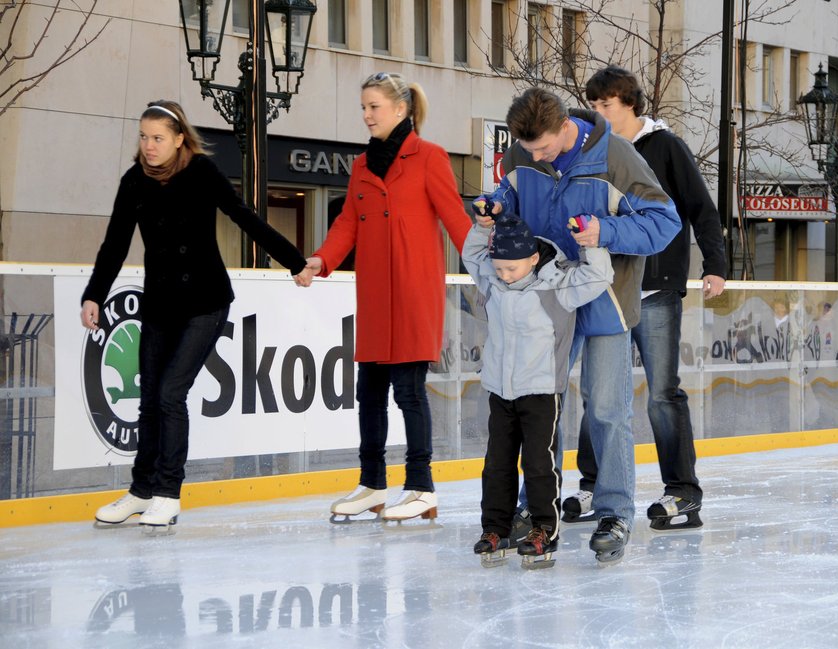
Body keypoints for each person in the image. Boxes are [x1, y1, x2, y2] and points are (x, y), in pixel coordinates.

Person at [473, 87, 681, 564]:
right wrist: (494, 206)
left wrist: (605, 232)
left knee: (607, 410)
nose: (536, 156)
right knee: (537, 408)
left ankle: (613, 511)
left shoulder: (616, 156)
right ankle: (534, 507)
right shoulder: (521, 154)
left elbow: (663, 221)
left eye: (544, 148)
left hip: (604, 300)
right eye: (529, 151)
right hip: (545, 303)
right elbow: (510, 195)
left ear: (566, 125)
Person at [83, 100, 308, 531]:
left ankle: (167, 493)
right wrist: (94, 294)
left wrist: (295, 261)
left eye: (158, 138)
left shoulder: (201, 173)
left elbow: (244, 217)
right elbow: (114, 243)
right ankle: (140, 491)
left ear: (179, 139)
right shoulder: (134, 182)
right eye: (144, 137)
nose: (149, 146)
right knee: (149, 401)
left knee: (170, 394)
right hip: (160, 305)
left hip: (205, 303)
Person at [296, 72, 471, 523]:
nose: (366, 115)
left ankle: (421, 487)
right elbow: (348, 225)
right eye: (363, 107)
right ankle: (372, 483)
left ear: (400, 109)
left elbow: (455, 218)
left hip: (414, 292)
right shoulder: (360, 166)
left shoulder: (429, 157)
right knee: (369, 393)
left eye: (373, 106)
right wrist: (321, 260)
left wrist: (490, 267)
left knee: (409, 392)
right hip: (375, 295)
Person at [563, 66, 726, 532]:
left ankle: (682, 491)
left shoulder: (665, 147)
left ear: (629, 104)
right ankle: (594, 484)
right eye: (591, 106)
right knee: (598, 392)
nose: (597, 114)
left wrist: (714, 264)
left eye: (606, 105)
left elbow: (700, 208)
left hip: (654, 289)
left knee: (660, 393)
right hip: (606, 290)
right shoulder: (591, 151)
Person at [462, 215, 613, 569]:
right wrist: (483, 226)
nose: (503, 275)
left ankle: (544, 531)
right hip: (500, 390)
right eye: (499, 268)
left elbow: (599, 276)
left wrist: (590, 244)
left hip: (542, 391)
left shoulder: (557, 285)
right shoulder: (493, 282)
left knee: (539, 464)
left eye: (511, 269)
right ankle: (496, 530)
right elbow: (472, 255)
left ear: (532, 259)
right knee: (496, 464)